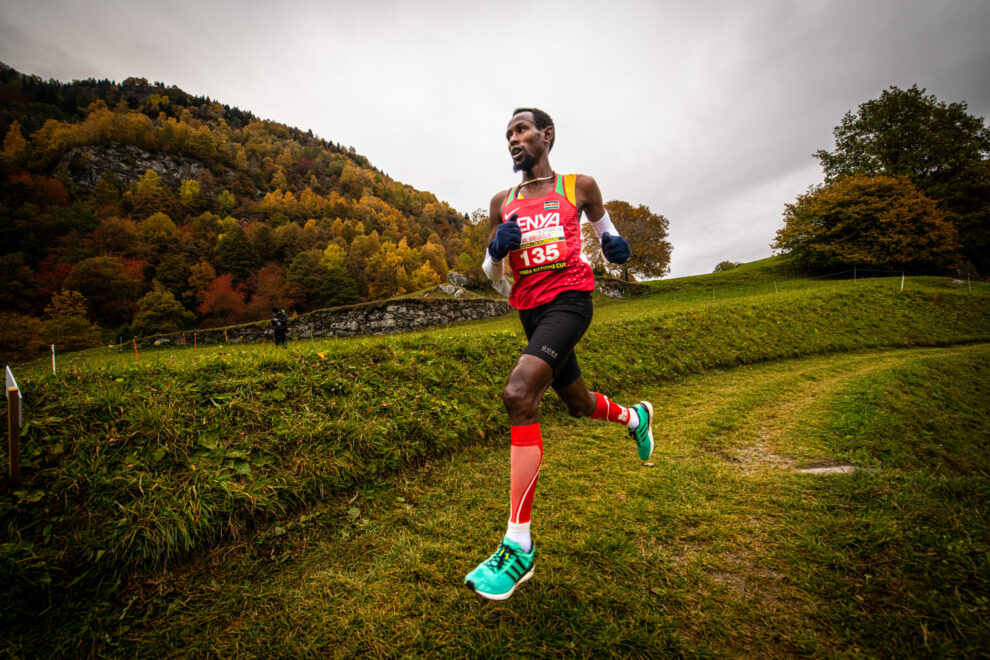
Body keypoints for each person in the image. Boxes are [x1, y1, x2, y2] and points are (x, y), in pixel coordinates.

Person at [464, 108, 655, 601]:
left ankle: (518, 543)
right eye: (507, 133)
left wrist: (616, 247)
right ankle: (635, 419)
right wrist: (496, 252)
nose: (513, 139)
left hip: (570, 301)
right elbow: (492, 276)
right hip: (529, 310)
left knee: (518, 393)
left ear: (546, 135)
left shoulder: (579, 186)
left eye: (522, 130)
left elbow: (608, 232)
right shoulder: (500, 202)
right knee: (577, 402)